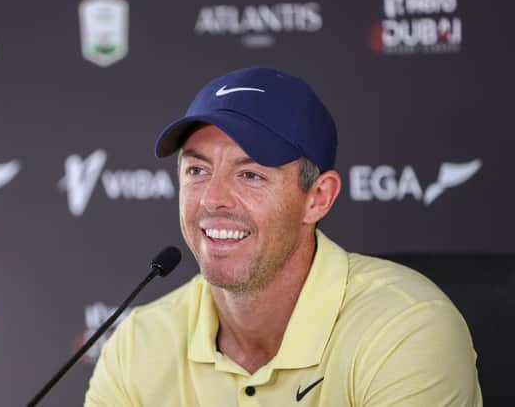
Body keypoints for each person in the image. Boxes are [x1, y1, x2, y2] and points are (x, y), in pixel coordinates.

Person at [84, 67, 482, 406]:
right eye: (196, 171)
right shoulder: (138, 343)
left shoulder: (406, 327)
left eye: (251, 174)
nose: (212, 198)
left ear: (318, 198)